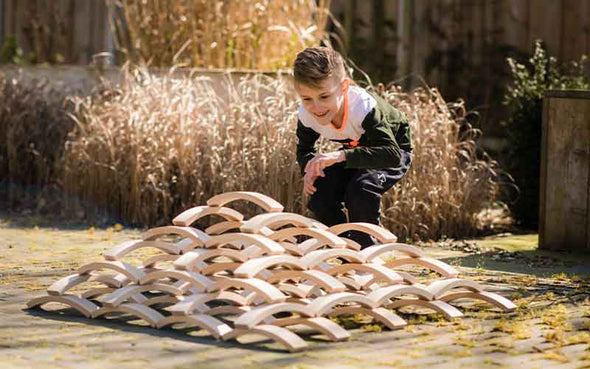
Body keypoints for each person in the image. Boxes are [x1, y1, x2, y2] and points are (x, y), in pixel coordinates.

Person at [294, 46, 413, 249]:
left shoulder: (363, 108)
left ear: (344, 87)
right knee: (320, 196)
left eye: (324, 96)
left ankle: (368, 249)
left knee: (361, 189)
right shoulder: (306, 116)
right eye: (307, 99)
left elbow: (392, 155)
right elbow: (305, 150)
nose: (316, 107)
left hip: (391, 150)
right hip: (355, 152)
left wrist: (340, 156)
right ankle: (343, 248)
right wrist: (309, 168)